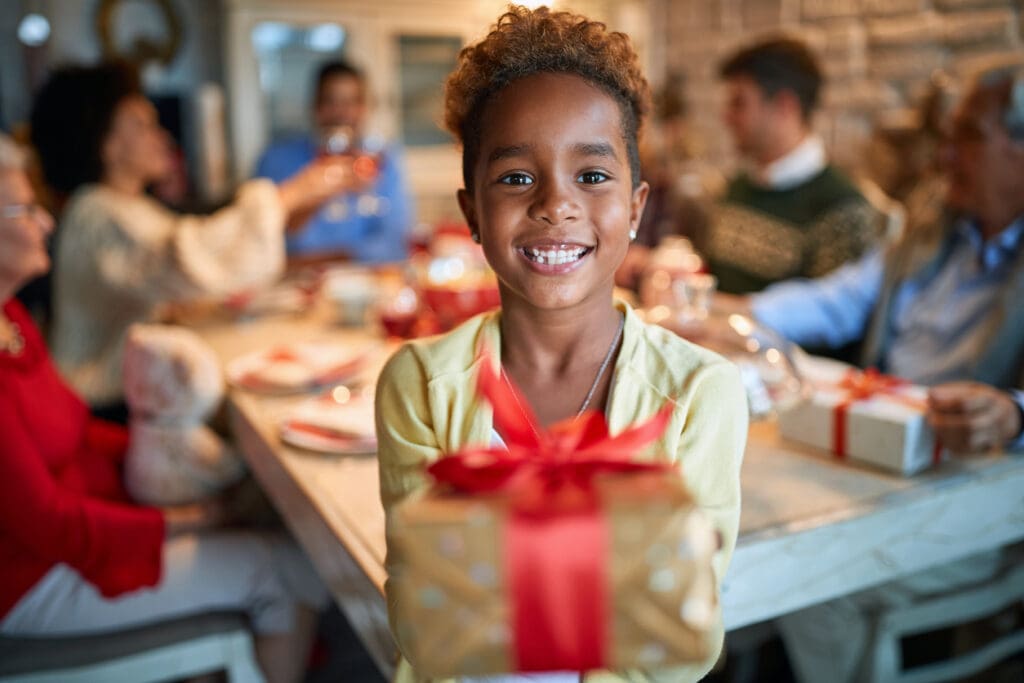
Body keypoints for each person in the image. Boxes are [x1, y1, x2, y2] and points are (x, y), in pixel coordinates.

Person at [374, 7, 747, 683]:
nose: (556, 203)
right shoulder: (419, 382)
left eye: (593, 176)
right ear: (471, 215)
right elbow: (423, 625)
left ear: (635, 208)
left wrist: (486, 582)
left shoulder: (699, 394)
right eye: (516, 177)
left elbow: (685, 643)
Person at [717, 60, 1024, 682]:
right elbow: (840, 298)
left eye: (966, 135)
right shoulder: (938, 224)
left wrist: (1014, 411)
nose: (944, 153)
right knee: (727, 524)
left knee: (809, 569)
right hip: (883, 459)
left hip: (978, 499)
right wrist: (735, 315)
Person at [0, 131, 328, 683]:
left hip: (70, 538)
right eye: (24, 209)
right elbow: (47, 523)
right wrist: (190, 519)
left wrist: (202, 470)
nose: (46, 223)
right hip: (31, 579)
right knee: (285, 567)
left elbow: (77, 430)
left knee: (259, 523)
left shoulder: (12, 321)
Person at [30, 62, 352, 420]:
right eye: (143, 124)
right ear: (106, 144)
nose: (162, 136)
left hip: (136, 396)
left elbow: (188, 270)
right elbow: (184, 258)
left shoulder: (125, 207)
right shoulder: (95, 215)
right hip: (106, 412)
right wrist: (293, 193)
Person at [703, 37, 878, 294]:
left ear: (785, 106)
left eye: (739, 103)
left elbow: (831, 325)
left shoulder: (842, 211)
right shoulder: (739, 186)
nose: (726, 117)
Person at [255, 59, 414, 264]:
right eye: (331, 101)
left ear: (365, 109)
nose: (341, 112)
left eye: (351, 102)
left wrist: (322, 259)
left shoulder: (383, 160)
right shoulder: (276, 160)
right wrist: (310, 192)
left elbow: (395, 243)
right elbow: (260, 243)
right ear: (315, 107)